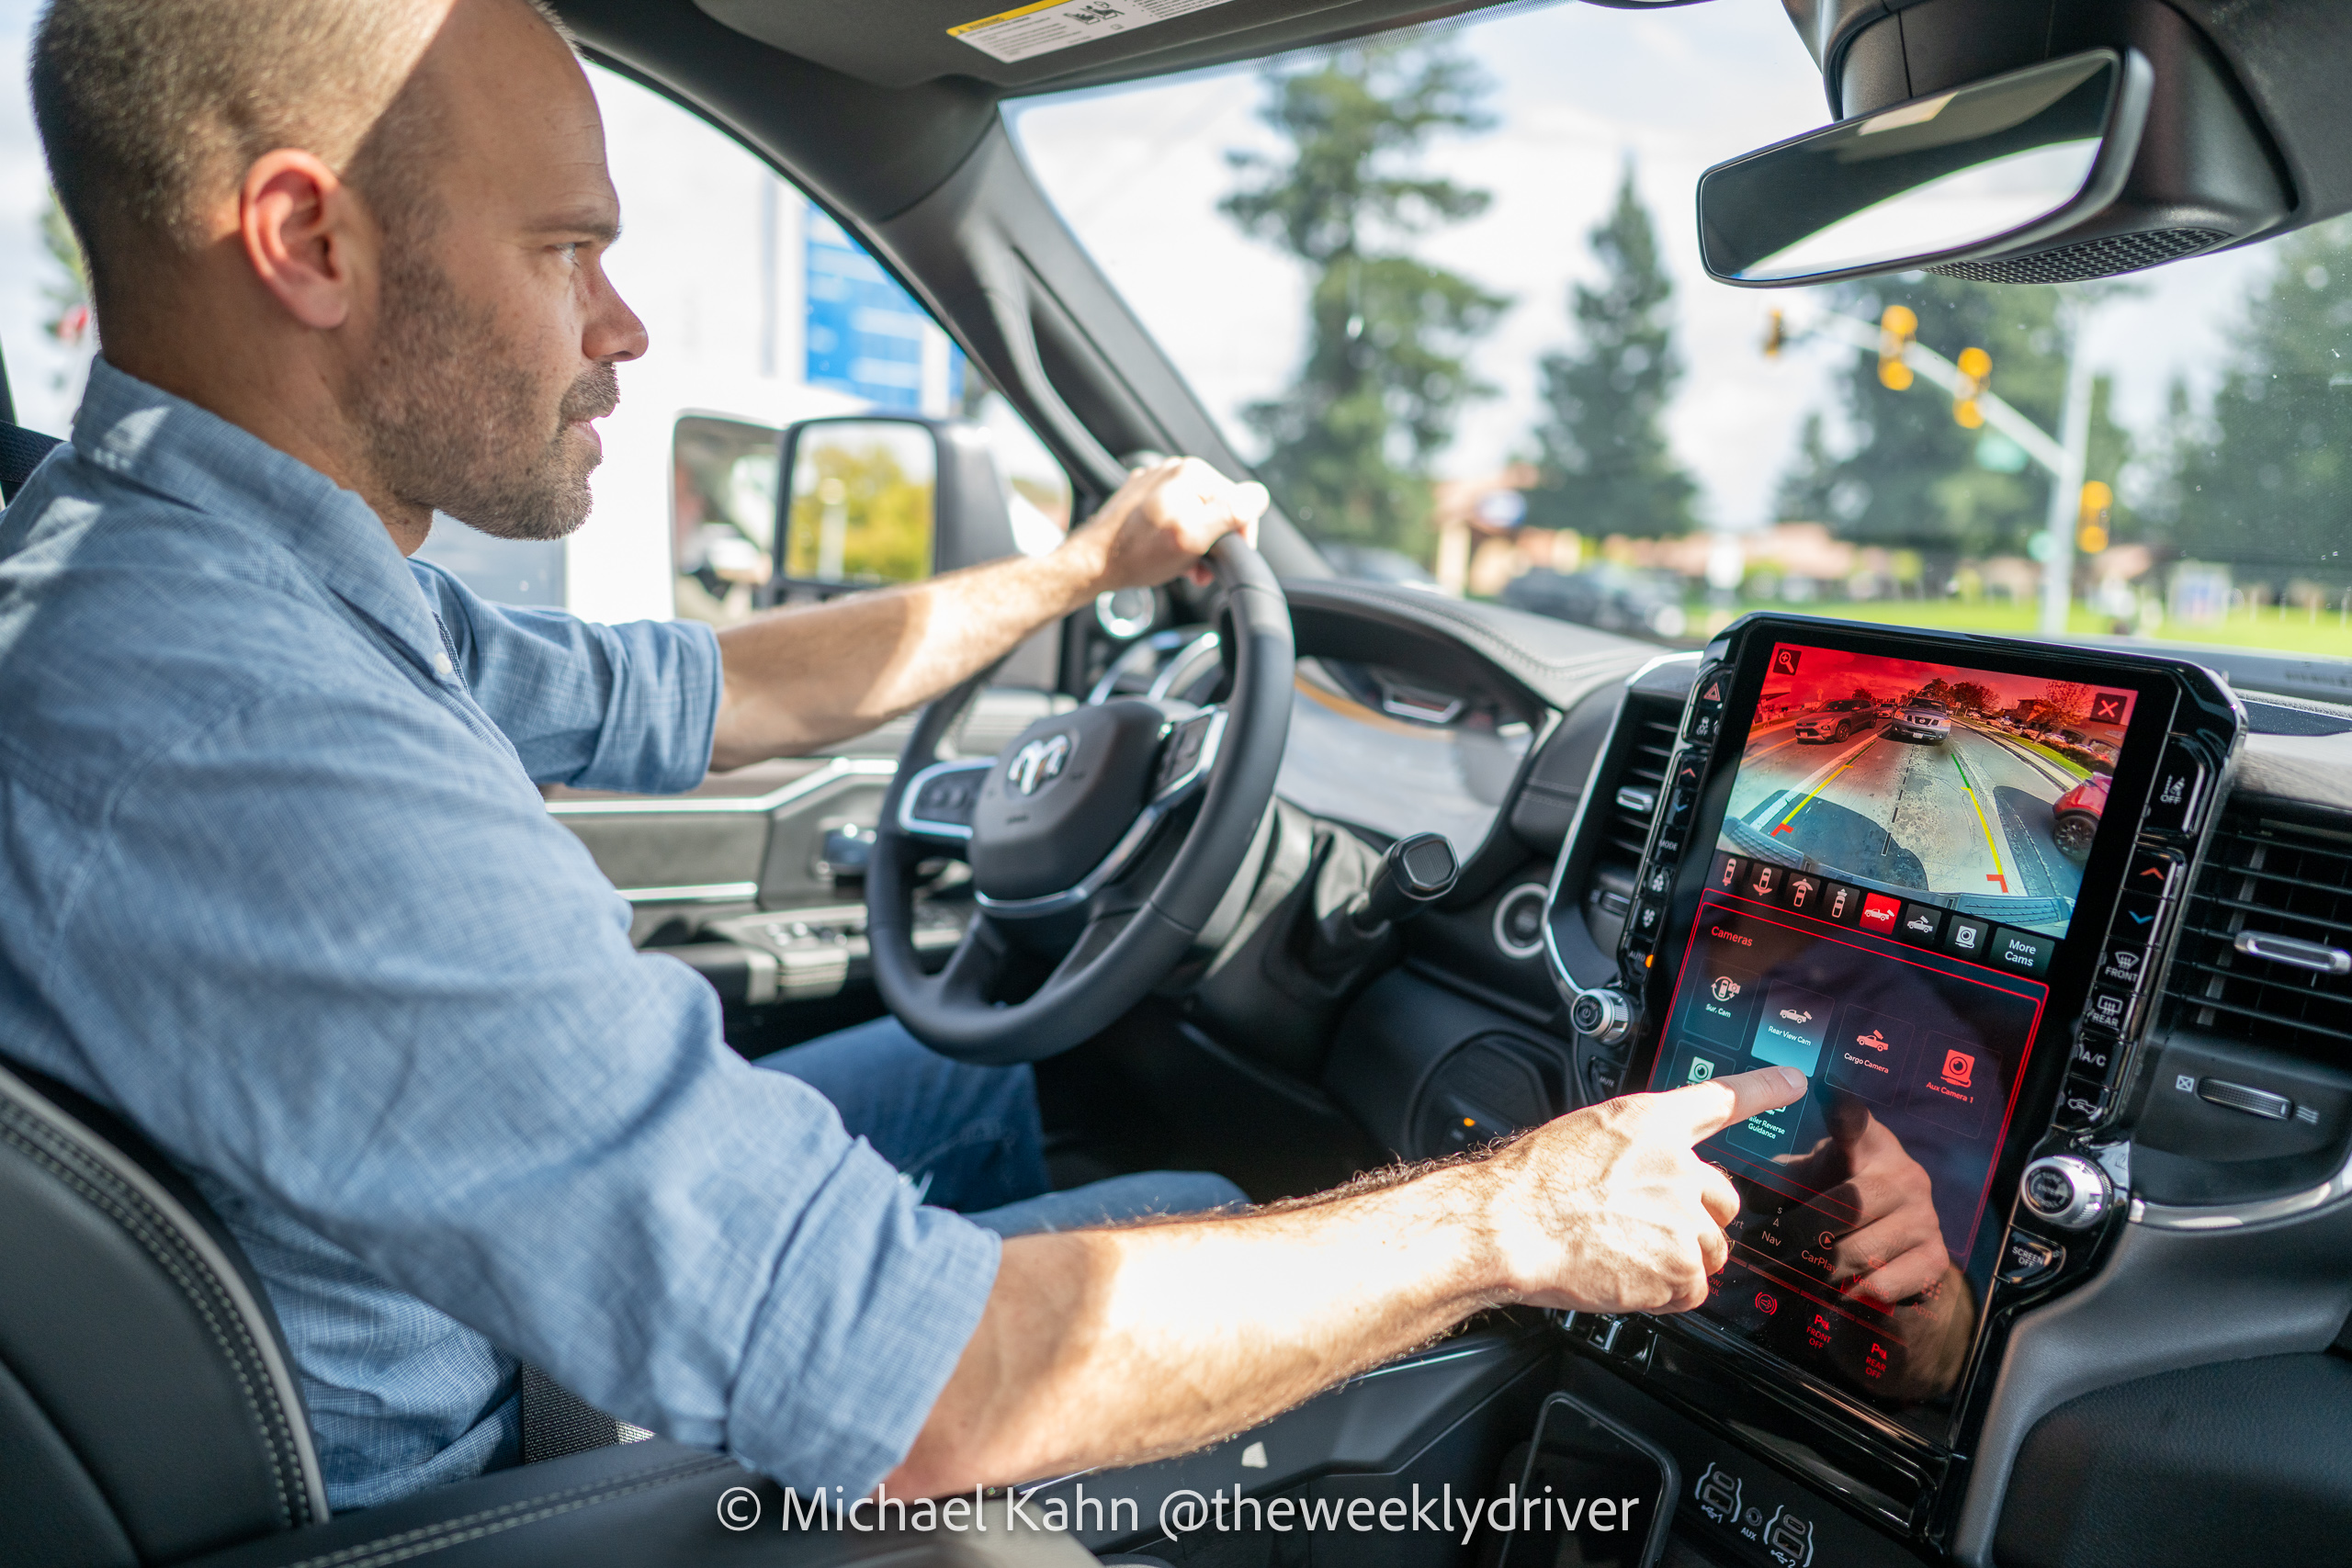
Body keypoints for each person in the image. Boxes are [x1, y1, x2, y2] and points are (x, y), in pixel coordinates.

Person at [0, 0, 1804, 1517]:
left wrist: (1080, 572)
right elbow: (907, 1375)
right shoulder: (238, 725)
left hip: (470, 1316)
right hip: (509, 1483)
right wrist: (1516, 1209)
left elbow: (686, 697)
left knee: (1001, 1084)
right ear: (309, 239)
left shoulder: (205, 582)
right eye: (568, 250)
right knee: (1235, 1220)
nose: (621, 323)